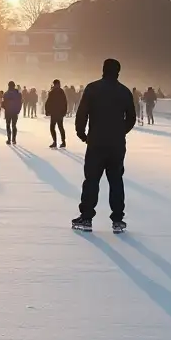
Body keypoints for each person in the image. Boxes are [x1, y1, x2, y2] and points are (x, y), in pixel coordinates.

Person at [72, 59, 137, 233]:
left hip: (96, 141)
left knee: (92, 179)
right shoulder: (124, 92)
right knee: (116, 180)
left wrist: (81, 132)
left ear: (103, 70)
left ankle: (86, 217)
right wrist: (120, 132)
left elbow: (82, 113)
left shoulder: (92, 88)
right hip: (116, 144)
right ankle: (117, 219)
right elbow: (131, 117)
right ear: (118, 72)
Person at [45, 78, 68, 148]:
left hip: (54, 112)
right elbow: (65, 102)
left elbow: (48, 102)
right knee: (60, 127)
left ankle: (55, 142)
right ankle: (63, 142)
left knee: (53, 127)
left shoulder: (52, 92)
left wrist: (47, 110)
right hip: (59, 112)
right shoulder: (61, 91)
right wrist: (64, 111)